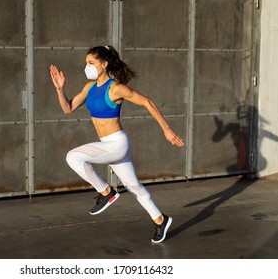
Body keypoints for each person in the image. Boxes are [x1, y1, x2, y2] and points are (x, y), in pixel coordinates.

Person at [49, 45, 184, 243]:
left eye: (91, 63)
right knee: (134, 186)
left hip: (117, 144)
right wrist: (60, 90)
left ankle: (106, 192)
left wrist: (166, 129)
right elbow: (68, 108)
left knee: (73, 156)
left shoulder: (116, 88)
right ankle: (160, 220)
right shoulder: (89, 87)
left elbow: (147, 102)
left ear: (104, 64)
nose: (87, 67)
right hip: (108, 146)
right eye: (86, 63)